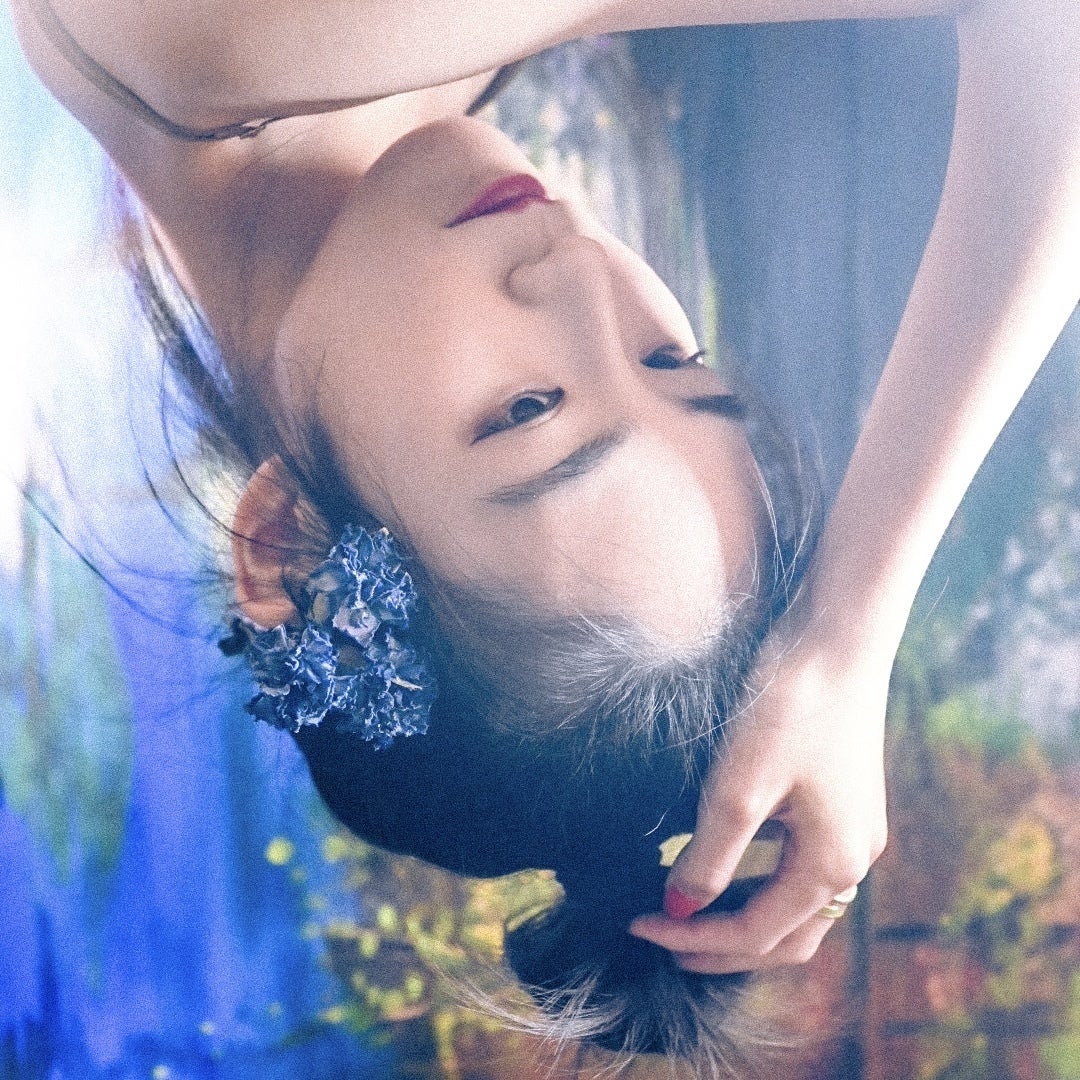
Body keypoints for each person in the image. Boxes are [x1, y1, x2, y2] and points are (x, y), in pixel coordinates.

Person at [10, 0, 1080, 1070]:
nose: (583, 273)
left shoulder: (221, 33)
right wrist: (840, 638)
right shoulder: (359, 112)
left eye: (529, 411)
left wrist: (851, 634)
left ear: (285, 544)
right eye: (671, 364)